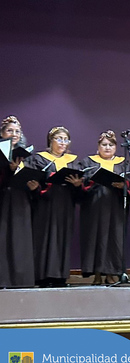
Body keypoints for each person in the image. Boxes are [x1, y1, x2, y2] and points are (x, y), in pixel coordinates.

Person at [26, 127, 83, 288]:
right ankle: (42, 276)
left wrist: (78, 185)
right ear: (50, 141)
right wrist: (35, 188)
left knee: (62, 238)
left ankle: (59, 276)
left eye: (66, 139)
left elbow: (79, 190)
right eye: (59, 138)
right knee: (44, 238)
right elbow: (31, 179)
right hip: (45, 203)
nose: (62, 143)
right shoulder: (39, 159)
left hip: (65, 204)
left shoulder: (73, 161)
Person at [79, 130, 130, 285]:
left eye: (111, 145)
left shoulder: (123, 163)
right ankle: (96, 274)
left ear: (116, 147)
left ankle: (111, 273)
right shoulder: (89, 162)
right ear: (98, 146)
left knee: (113, 238)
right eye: (104, 145)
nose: (107, 148)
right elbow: (82, 181)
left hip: (115, 207)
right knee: (95, 238)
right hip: (94, 207)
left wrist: (124, 185)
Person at [0, 116, 37, 288]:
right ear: (2, 133)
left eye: (17, 131)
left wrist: (34, 185)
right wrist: (9, 171)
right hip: (3, 199)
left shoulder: (26, 155)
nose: (14, 134)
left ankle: (21, 280)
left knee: (19, 239)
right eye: (9, 130)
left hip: (21, 199)